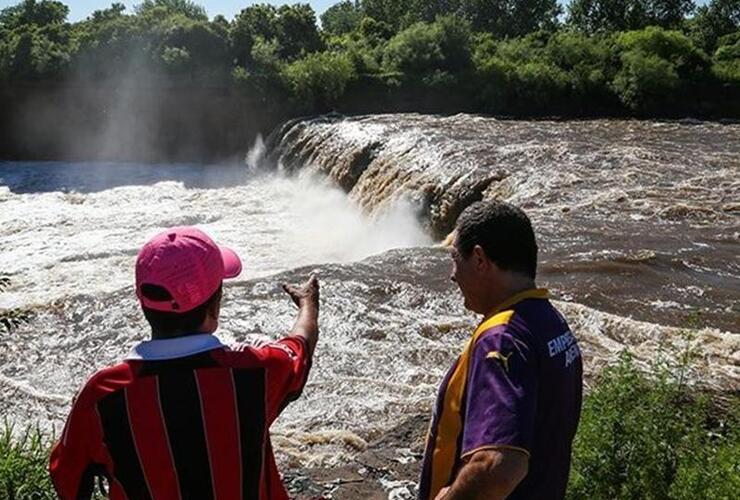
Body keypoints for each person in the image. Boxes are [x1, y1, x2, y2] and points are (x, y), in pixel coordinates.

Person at [49, 226, 319, 500]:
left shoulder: (101, 395)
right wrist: (308, 304)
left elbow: (68, 480)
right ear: (215, 307)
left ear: (143, 302)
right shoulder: (255, 373)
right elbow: (299, 346)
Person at [419, 201, 583, 500]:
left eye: (456, 259)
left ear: (480, 259)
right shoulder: (550, 322)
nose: (452, 275)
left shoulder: (502, 338)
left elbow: (499, 467)